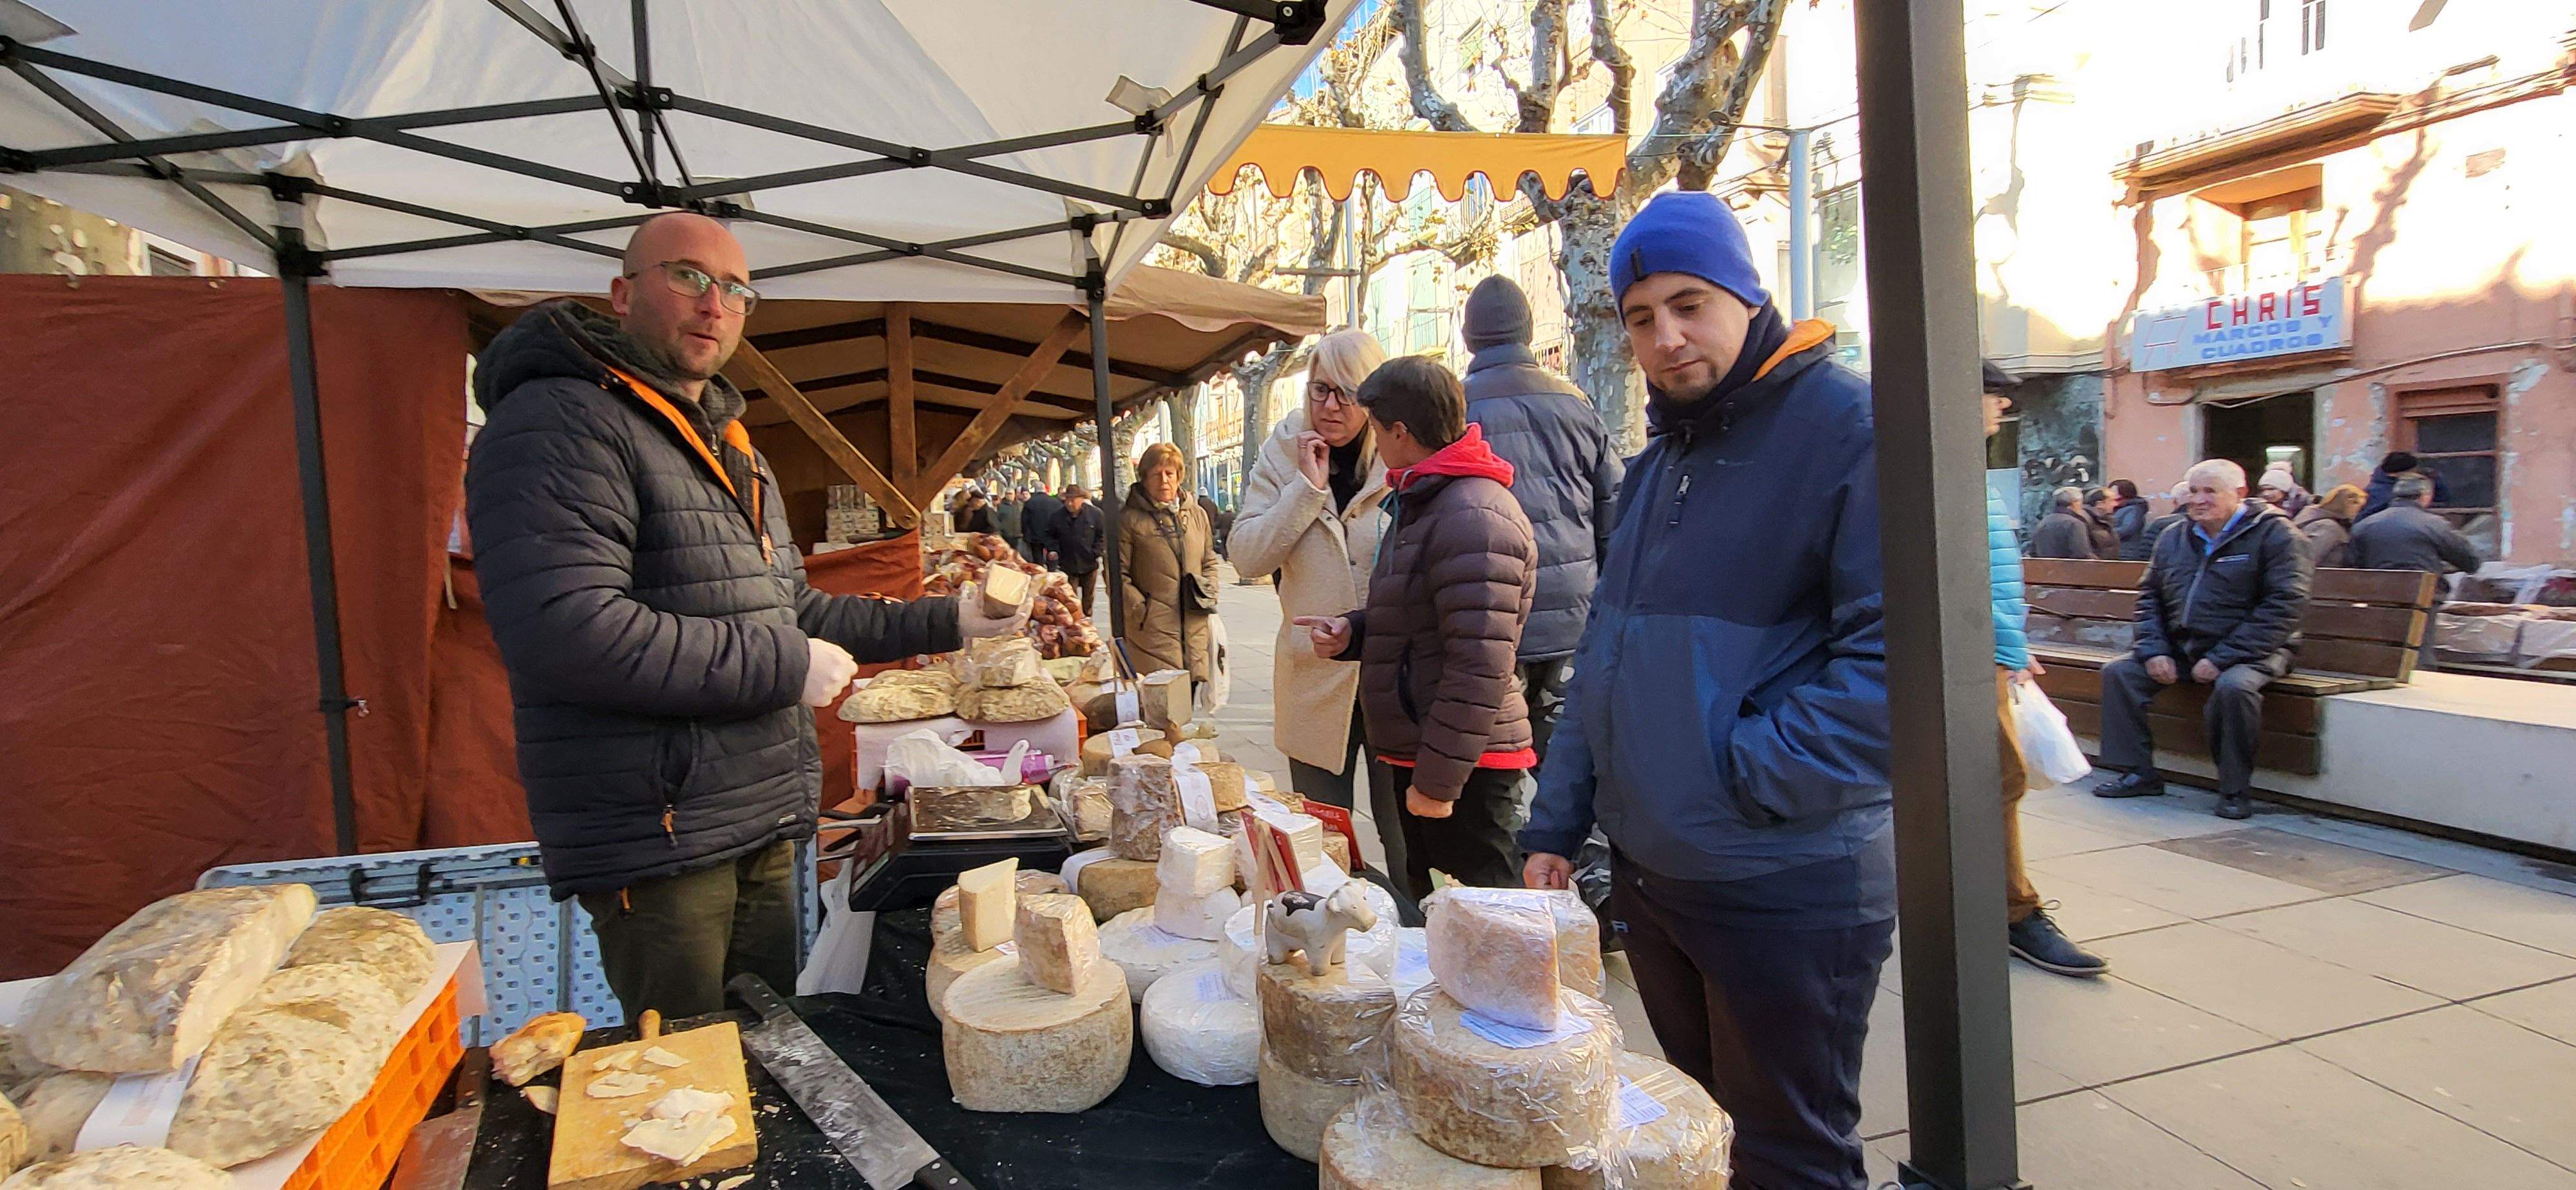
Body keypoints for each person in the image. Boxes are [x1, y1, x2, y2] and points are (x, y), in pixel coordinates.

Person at [466, 212, 1028, 1019]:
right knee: (688, 1079)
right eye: (687, 276)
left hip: (759, 815)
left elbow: (791, 608)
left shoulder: (729, 443)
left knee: (774, 1050)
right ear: (622, 294)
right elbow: (568, 630)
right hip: (661, 836)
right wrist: (784, 666)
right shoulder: (556, 422)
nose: (714, 304)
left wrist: (953, 620)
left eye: (735, 289)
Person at [1519, 191, 1893, 1190]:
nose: (1667, 338)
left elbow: (1903, 665)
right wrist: (1554, 825)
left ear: (1745, 293)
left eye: (1690, 304)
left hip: (1782, 884)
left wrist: (1746, 774)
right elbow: (1606, 655)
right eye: (1641, 318)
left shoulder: (1847, 429)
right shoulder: (1658, 465)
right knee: (1701, 1137)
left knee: (1790, 1159)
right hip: (1657, 880)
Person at [1297, 355, 1537, 901]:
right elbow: (1415, 615)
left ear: (1401, 431)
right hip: (1428, 749)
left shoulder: (1474, 515)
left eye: (1379, 431)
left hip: (1464, 764)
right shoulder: (1427, 500)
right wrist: (1353, 633)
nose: (1376, 445)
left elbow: (1480, 665)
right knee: (1439, 917)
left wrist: (1437, 783)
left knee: (1486, 921)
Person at [1229, 330, 1397, 834]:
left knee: (1407, 843)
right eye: (1320, 389)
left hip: (1393, 678)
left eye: (1348, 392)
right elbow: (1246, 557)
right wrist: (1304, 491)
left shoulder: (1399, 451)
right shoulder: (1284, 451)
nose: (1331, 405)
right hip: (1314, 674)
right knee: (1322, 841)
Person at [1458, 275, 1622, 764]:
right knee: (1570, 764)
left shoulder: (1456, 408)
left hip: (1494, 616)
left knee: (1498, 773)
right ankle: (1574, 842)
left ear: (1469, 339)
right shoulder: (1575, 404)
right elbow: (1613, 509)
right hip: (1573, 617)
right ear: (1527, 333)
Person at [2090, 458, 2312, 820]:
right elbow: (2150, 598)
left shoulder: (2277, 535)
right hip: (2184, 646)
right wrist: (2153, 650)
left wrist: (2224, 657)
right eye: (2193, 491)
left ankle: (2235, 789)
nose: (2198, 500)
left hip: (2256, 651)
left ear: (2240, 494)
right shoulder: (2174, 536)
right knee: (2120, 675)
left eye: (2210, 491)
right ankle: (2137, 772)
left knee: (2235, 690)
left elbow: (2285, 606)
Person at [1983, 363, 2106, 978]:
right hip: (1969, 654)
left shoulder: (1957, 470)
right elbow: (1962, 571)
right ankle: (2011, 912)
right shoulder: (1939, 467)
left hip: (1981, 647)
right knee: (1996, 780)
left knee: (1987, 784)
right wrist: (2006, 644)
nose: (2001, 410)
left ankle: (1998, 907)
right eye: (1994, 398)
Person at [1119, 442, 1220, 683]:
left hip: (1194, 623)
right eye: (1156, 474)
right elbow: (1117, 575)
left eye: (1170, 473)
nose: (1164, 480)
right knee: (1162, 704)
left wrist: (1210, 590)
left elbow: (1209, 559)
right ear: (1144, 479)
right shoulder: (1129, 519)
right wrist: (1141, 610)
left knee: (1190, 698)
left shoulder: (1197, 514)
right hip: (1153, 631)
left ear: (1179, 476)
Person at [2349, 472, 2483, 650]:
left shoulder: (2364, 526)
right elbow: (2471, 562)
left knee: (2386, 651)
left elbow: (2352, 565)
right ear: (2425, 496)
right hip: (2422, 601)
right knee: (2418, 652)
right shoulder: (2434, 525)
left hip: (2379, 598)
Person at [1049, 486, 1106, 617]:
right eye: (1067, 500)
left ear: (1082, 500)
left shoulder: (1095, 514)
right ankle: (1075, 622)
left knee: (1088, 597)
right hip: (1068, 563)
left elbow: (1103, 535)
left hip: (1089, 563)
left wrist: (1096, 552)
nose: (1070, 503)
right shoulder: (1058, 516)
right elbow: (1049, 535)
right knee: (1070, 598)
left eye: (1073, 500)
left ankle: (1087, 618)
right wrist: (1055, 549)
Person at [2358, 450, 2451, 523]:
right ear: (2403, 472)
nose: (2416, 472)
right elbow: (2364, 519)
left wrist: (2435, 480)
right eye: (2413, 470)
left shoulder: (2410, 483)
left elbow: (2442, 498)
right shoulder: (2377, 493)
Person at [2293, 483, 2368, 568]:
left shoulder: (2318, 520)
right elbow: (2308, 560)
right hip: (2323, 578)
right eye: (2361, 507)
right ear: (2351, 504)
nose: (2360, 512)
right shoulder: (2329, 528)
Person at [2029, 486, 2097, 558]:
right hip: (2069, 568)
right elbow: (2082, 553)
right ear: (2075, 503)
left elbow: (2033, 550)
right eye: (2081, 502)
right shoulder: (2075, 524)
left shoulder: (2044, 521)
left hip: (2045, 567)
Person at [2110, 478, 2152, 560]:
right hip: (2119, 551)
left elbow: (2128, 528)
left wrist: (2108, 533)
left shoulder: (2134, 510)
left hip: (2127, 553)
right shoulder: (2119, 509)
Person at [1023, 485, 1063, 568]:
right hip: (1052, 535)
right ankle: (1052, 572)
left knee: (1038, 561)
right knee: (1052, 557)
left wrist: (1026, 537)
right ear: (1045, 490)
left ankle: (1040, 575)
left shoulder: (1030, 503)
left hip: (1035, 537)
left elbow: (1025, 521)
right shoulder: (1055, 502)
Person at [2082, 487, 2121, 558]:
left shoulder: (2106, 520)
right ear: (2100, 504)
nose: (2116, 504)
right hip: (2095, 567)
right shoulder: (2085, 520)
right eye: (2112, 501)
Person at [994, 488, 1025, 556]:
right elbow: (997, 519)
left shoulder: (1020, 505)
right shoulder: (1000, 506)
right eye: (1007, 494)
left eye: (1010, 494)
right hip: (1005, 534)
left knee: (1016, 554)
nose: (1009, 496)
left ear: (1014, 495)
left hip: (1018, 535)